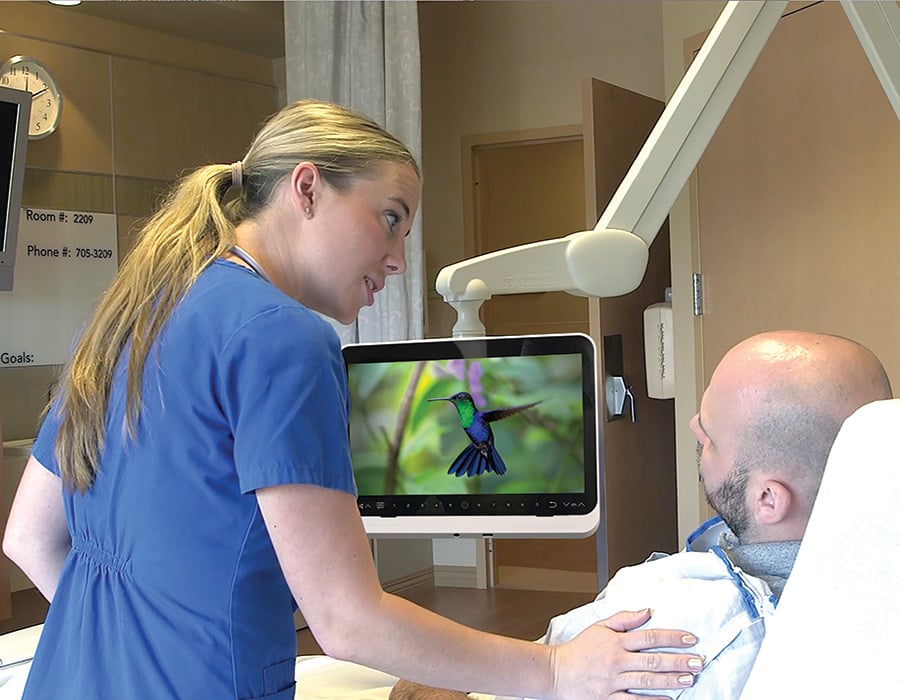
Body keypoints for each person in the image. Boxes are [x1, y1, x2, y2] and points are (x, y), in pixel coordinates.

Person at [1, 99, 702, 700]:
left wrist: (147, 646)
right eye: (391, 219)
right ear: (306, 189)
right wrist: (554, 671)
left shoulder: (132, 313)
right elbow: (344, 619)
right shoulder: (281, 337)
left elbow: (29, 538)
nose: (398, 259)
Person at [390, 330, 893, 700]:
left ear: (769, 500)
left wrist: (431, 682)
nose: (694, 427)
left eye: (711, 436)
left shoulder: (684, 635)